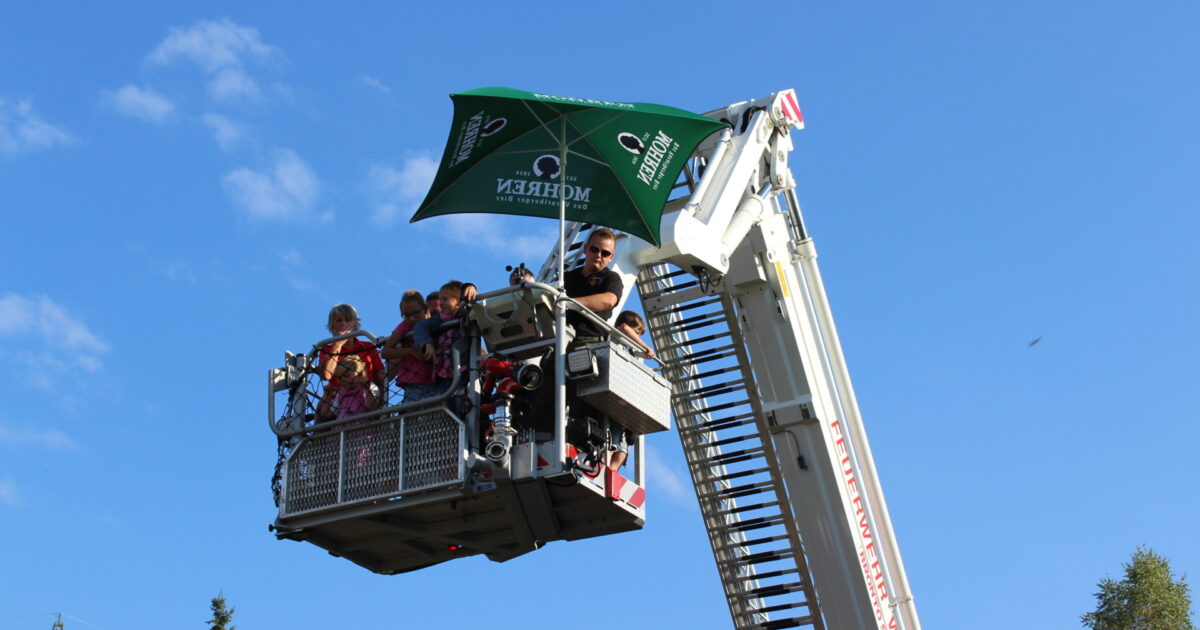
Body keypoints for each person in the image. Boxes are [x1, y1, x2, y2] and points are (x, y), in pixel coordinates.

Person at [316, 303, 384, 421]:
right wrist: (338, 344)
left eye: (348, 320)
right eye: (339, 320)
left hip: (367, 401)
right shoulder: (326, 349)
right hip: (336, 405)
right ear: (332, 325)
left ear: (355, 323)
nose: (343, 324)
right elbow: (326, 375)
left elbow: (380, 375)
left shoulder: (368, 346)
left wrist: (382, 402)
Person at [564, 228, 623, 348]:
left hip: (590, 341)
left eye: (605, 253)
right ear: (586, 249)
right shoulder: (567, 277)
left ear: (611, 257)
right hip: (560, 335)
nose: (598, 255)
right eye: (594, 249)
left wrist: (568, 303)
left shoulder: (611, 278)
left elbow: (609, 300)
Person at [381, 290, 439, 403]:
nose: (412, 318)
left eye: (416, 313)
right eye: (407, 315)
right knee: (413, 415)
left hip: (436, 382)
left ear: (425, 309)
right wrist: (410, 351)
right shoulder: (404, 326)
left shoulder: (433, 323)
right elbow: (385, 352)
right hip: (414, 385)